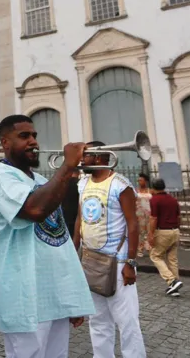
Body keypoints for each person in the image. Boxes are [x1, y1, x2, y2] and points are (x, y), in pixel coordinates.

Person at [0, 115, 94, 358]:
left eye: (34, 135)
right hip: (24, 298)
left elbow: (61, 244)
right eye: (24, 136)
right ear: (5, 142)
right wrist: (67, 166)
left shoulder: (43, 181)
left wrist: (72, 298)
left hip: (54, 296)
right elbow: (34, 210)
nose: (33, 141)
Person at [75, 150, 146, 358]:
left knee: (127, 321)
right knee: (97, 320)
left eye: (86, 155)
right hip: (90, 260)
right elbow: (80, 219)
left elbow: (133, 224)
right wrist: (73, 252)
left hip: (118, 261)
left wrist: (130, 262)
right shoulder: (82, 183)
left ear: (99, 158)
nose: (81, 159)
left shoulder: (120, 185)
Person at [147, 178, 182, 296]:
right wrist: (177, 228)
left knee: (155, 256)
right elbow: (179, 217)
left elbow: (153, 218)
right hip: (175, 230)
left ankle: (172, 280)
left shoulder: (155, 200)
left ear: (153, 188)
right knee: (172, 259)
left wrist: (151, 234)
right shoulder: (173, 199)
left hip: (162, 230)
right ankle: (174, 287)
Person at [135, 173, 152, 258]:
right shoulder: (136, 191)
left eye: (141, 180)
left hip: (149, 214)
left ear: (145, 181)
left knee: (149, 231)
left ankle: (149, 248)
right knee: (140, 232)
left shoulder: (150, 191)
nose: (139, 182)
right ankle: (140, 249)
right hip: (139, 214)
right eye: (138, 180)